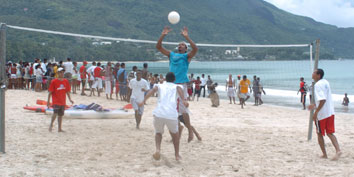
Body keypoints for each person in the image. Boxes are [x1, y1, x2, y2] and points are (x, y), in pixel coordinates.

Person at [156, 26, 198, 142]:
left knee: (183, 110)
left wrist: (187, 37)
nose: (180, 45)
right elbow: (158, 47)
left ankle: (190, 131)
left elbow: (195, 49)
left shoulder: (187, 57)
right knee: (171, 110)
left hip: (181, 85)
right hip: (170, 85)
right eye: (179, 44)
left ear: (185, 48)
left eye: (182, 44)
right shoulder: (172, 55)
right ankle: (177, 132)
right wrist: (163, 34)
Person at [138, 72, 187, 161]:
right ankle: (176, 155)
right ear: (174, 79)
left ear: (165, 79)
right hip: (171, 114)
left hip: (159, 113)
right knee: (175, 135)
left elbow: (152, 91)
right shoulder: (177, 86)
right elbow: (180, 90)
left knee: (158, 133)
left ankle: (157, 149)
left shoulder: (159, 85)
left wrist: (143, 100)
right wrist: (184, 100)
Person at [308, 69, 341, 160]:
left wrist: (316, 112)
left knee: (319, 133)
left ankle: (324, 154)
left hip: (322, 114)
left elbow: (322, 100)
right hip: (330, 112)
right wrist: (314, 106)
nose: (312, 74)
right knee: (330, 132)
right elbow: (324, 99)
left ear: (318, 75)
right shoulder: (325, 82)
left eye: (314, 72)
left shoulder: (318, 85)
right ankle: (338, 150)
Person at [47, 67, 74, 132]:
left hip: (62, 101)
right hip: (56, 101)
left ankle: (59, 128)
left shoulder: (65, 81)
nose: (62, 74)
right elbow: (50, 92)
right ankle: (51, 124)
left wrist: (70, 99)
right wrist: (48, 102)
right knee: (55, 113)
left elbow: (67, 91)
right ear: (58, 73)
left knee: (60, 115)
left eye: (63, 72)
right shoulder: (54, 81)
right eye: (61, 72)